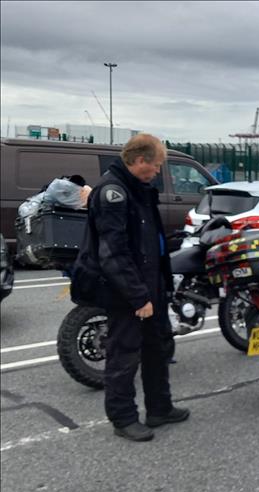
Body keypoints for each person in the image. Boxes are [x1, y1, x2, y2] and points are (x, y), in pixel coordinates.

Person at [71, 134, 189, 442]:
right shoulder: (113, 193)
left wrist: (159, 287)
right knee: (124, 354)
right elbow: (114, 253)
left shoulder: (138, 189)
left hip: (150, 285)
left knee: (157, 347)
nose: (157, 172)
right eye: (156, 166)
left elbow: (150, 244)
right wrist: (138, 296)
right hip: (126, 291)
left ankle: (160, 408)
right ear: (139, 161)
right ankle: (123, 418)